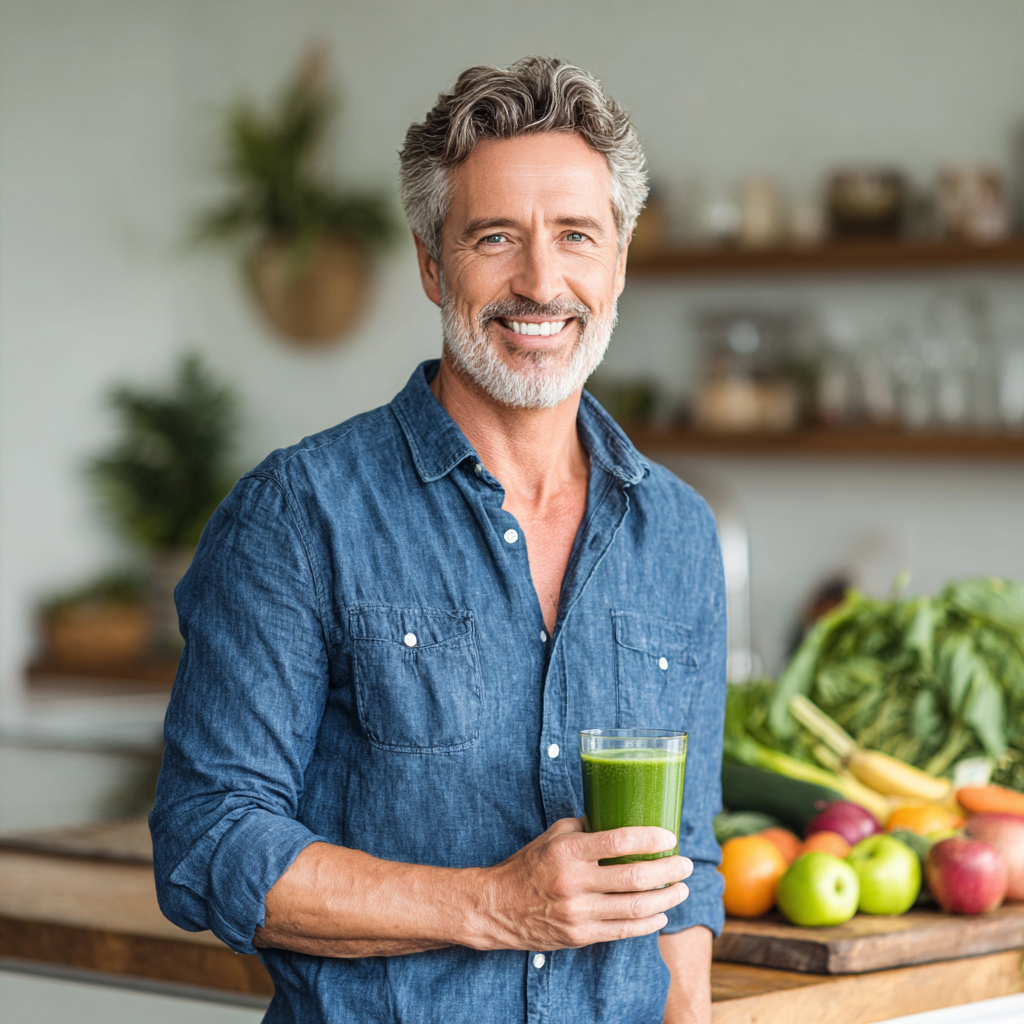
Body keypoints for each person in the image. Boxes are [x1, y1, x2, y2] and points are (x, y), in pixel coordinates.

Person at [151, 56, 726, 1024]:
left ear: (619, 259)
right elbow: (209, 839)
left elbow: (684, 871)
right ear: (431, 263)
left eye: (576, 236)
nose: (541, 281)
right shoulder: (299, 512)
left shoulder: (677, 531)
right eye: (495, 236)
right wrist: (494, 906)